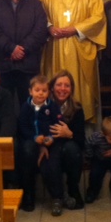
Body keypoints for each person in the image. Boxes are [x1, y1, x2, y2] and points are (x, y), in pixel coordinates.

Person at [40, 0, 107, 123]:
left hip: (81, 46)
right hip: (55, 47)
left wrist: (75, 29)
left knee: (81, 89)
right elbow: (39, 15)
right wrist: (50, 27)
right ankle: (53, 123)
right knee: (57, 83)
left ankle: (82, 127)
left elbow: (98, 17)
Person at [18, 74, 69, 216]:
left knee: (52, 164)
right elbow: (22, 126)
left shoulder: (52, 107)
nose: (40, 93)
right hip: (31, 141)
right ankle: (28, 195)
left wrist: (51, 138)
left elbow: (58, 123)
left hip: (51, 142)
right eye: (37, 90)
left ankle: (58, 197)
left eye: (44, 91)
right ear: (30, 91)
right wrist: (34, 138)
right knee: (26, 154)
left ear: (48, 92)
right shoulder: (26, 107)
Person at [48, 70, 86, 210]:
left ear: (71, 89)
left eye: (67, 85)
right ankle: (56, 197)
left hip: (69, 153)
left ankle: (73, 189)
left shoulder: (77, 108)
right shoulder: (45, 106)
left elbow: (81, 140)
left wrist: (69, 134)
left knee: (72, 148)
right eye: (59, 85)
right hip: (50, 148)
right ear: (52, 87)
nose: (63, 89)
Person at [84, 116, 111, 204]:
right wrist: (89, 156)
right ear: (103, 134)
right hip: (99, 159)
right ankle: (92, 193)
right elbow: (88, 144)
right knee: (95, 174)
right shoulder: (97, 137)